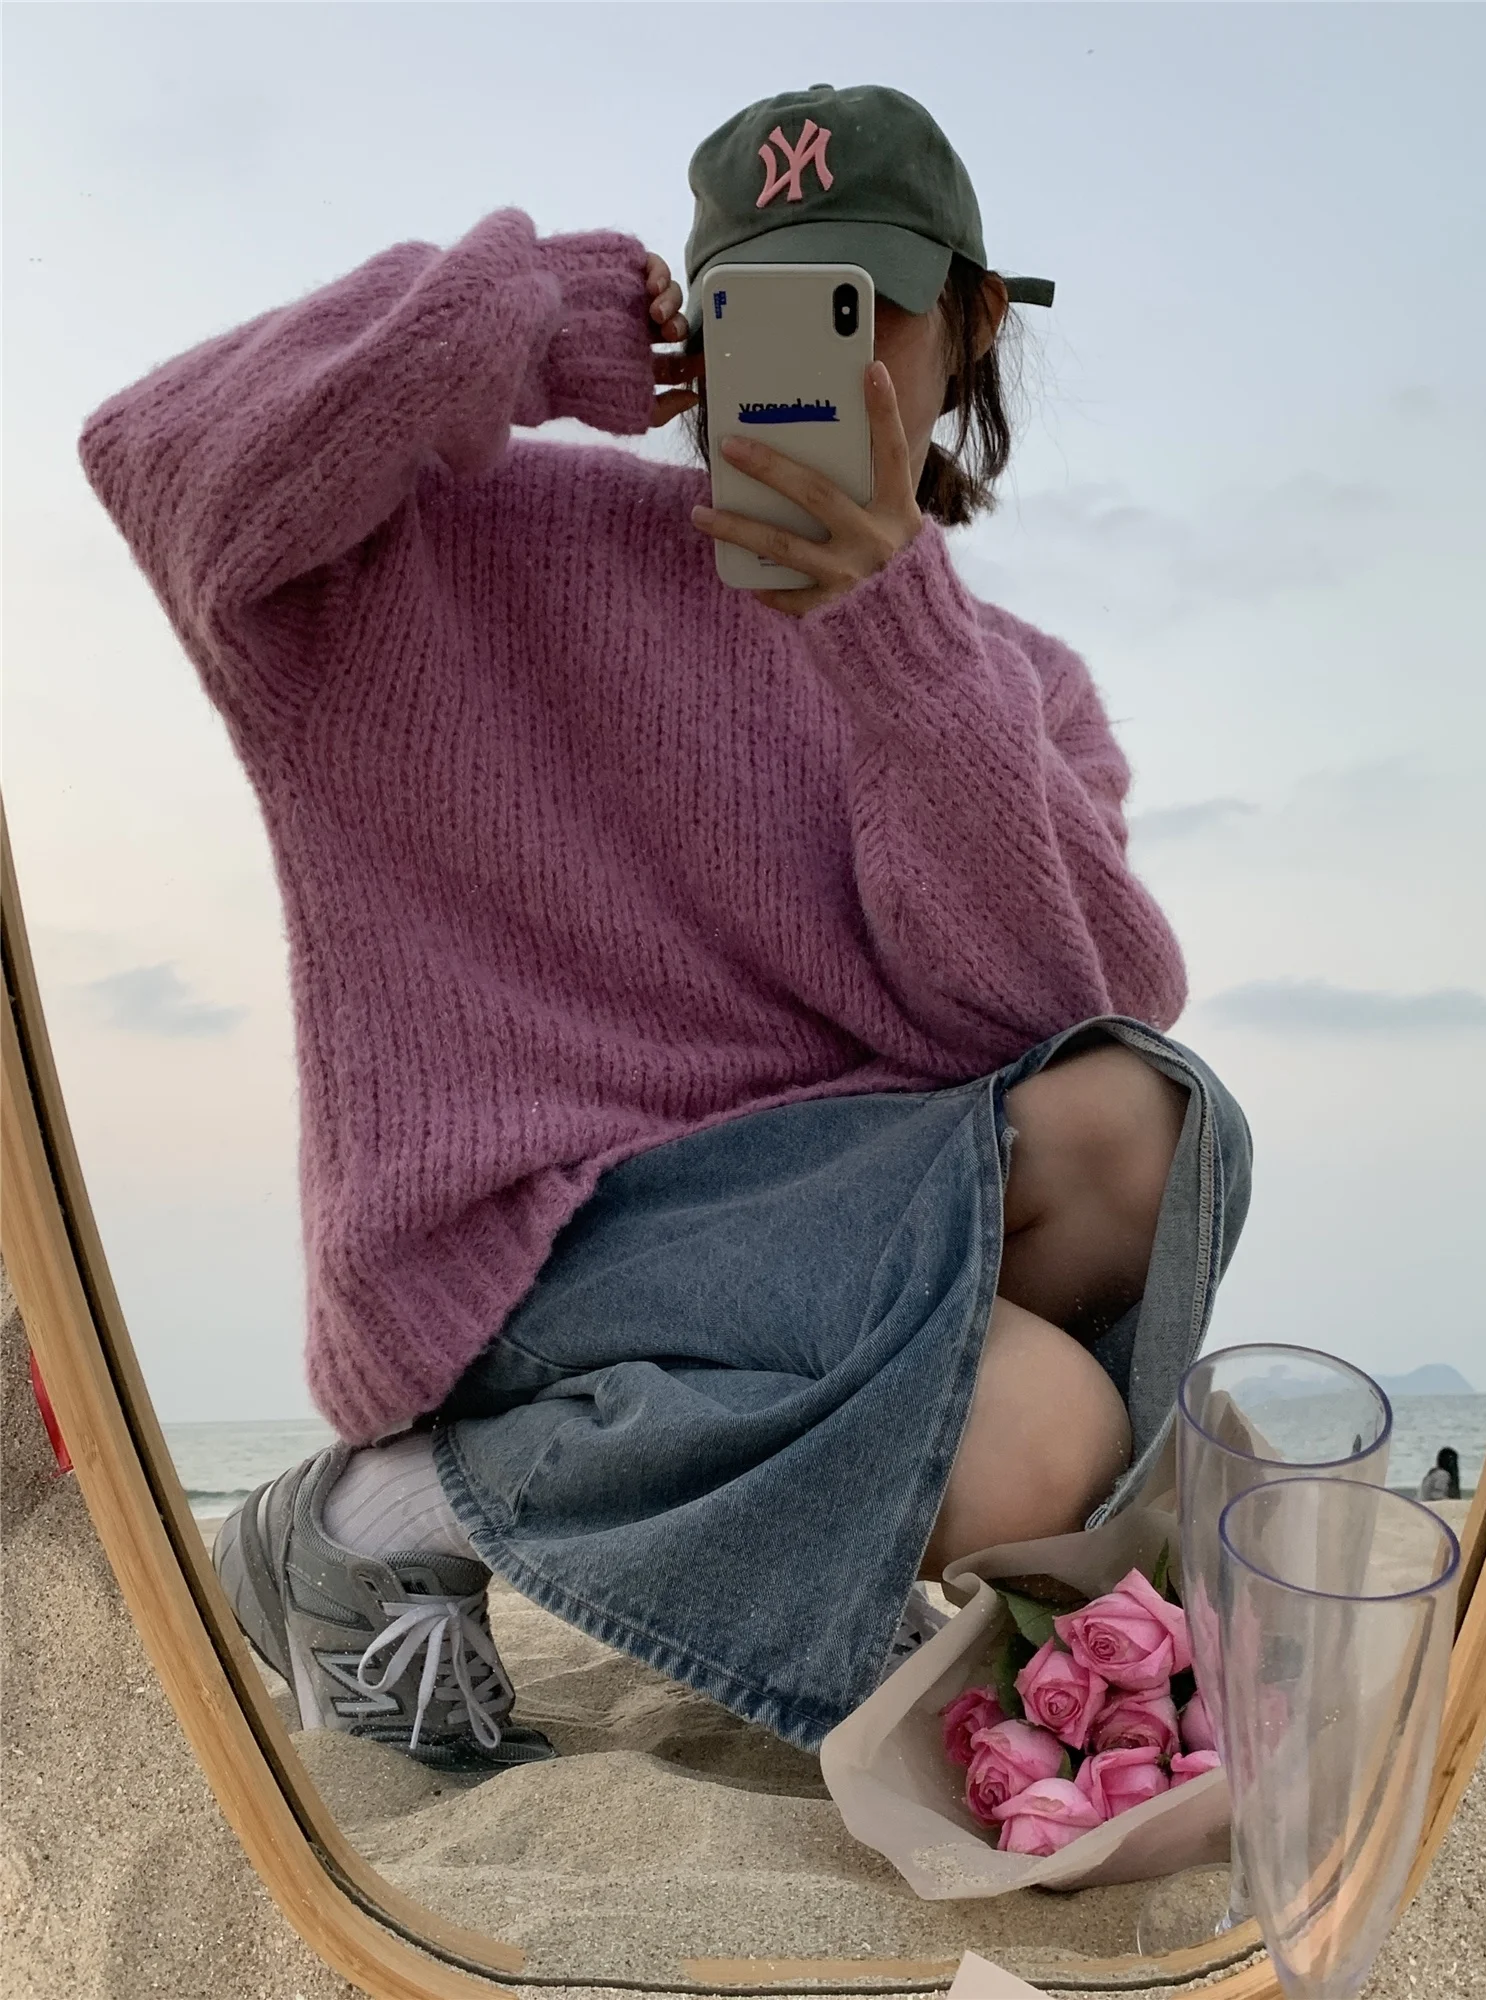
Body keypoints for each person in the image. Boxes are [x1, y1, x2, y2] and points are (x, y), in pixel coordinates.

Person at [80, 83, 1252, 1771]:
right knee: (1041, 1437)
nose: (815, 367)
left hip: (808, 1227)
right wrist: (517, 321)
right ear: (693, 331)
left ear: (975, 321)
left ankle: (761, 1533)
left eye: (859, 305)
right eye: (751, 311)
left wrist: (890, 640)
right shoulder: (478, 542)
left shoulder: (1010, 682)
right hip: (538, 1230)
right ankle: (377, 1513)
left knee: (1148, 1123)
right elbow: (162, 460)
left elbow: (1059, 1022)